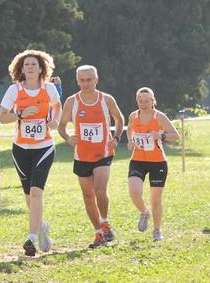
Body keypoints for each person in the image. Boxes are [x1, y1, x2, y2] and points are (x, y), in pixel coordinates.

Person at [0, 49, 62, 256]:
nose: (30, 67)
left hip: (44, 147)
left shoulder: (49, 88)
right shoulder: (14, 91)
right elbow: (2, 117)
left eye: (34, 64)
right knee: (29, 196)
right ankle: (41, 226)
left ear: (41, 68)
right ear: (21, 69)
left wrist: (55, 119)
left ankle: (31, 238)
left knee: (36, 192)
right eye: (26, 65)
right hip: (21, 150)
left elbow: (57, 105)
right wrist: (21, 114)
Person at [58, 65, 124, 249]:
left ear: (96, 79)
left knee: (100, 190)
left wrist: (116, 138)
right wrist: (68, 137)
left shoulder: (106, 99)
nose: (86, 84)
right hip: (82, 155)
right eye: (82, 80)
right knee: (88, 196)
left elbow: (119, 118)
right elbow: (61, 125)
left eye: (89, 79)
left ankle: (105, 222)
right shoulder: (72, 102)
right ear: (77, 81)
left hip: (103, 153)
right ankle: (98, 234)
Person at [126, 87, 179, 242]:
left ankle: (157, 230)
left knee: (155, 200)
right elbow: (130, 129)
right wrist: (130, 141)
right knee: (134, 192)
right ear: (137, 100)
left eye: (146, 101)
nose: (143, 104)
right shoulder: (133, 116)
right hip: (138, 160)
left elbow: (175, 135)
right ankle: (144, 212)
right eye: (140, 101)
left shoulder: (159, 117)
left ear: (152, 101)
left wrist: (161, 135)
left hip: (157, 162)